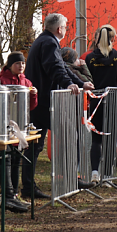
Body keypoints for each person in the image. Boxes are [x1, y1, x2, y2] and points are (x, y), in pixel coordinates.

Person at [24, 13, 94, 199]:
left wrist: (80, 83)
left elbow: (61, 67)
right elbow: (55, 68)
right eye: (65, 26)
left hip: (41, 101)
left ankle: (31, 185)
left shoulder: (44, 41)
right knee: (66, 136)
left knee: (37, 144)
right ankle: (66, 178)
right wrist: (70, 84)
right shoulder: (49, 43)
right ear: (59, 29)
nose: (66, 29)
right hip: (46, 102)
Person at [85, 24, 117, 184]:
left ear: (97, 38)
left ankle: (94, 173)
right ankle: (108, 176)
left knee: (96, 140)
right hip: (114, 102)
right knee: (110, 139)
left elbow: (87, 79)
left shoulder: (90, 58)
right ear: (112, 38)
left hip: (96, 102)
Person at [0, 53, 38, 213]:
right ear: (10, 65)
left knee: (16, 161)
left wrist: (34, 95)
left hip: (20, 127)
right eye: (17, 63)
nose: (21, 66)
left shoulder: (26, 82)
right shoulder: (2, 80)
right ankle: (5, 194)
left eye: (23, 63)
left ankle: (14, 193)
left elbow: (31, 106)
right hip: (6, 126)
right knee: (6, 160)